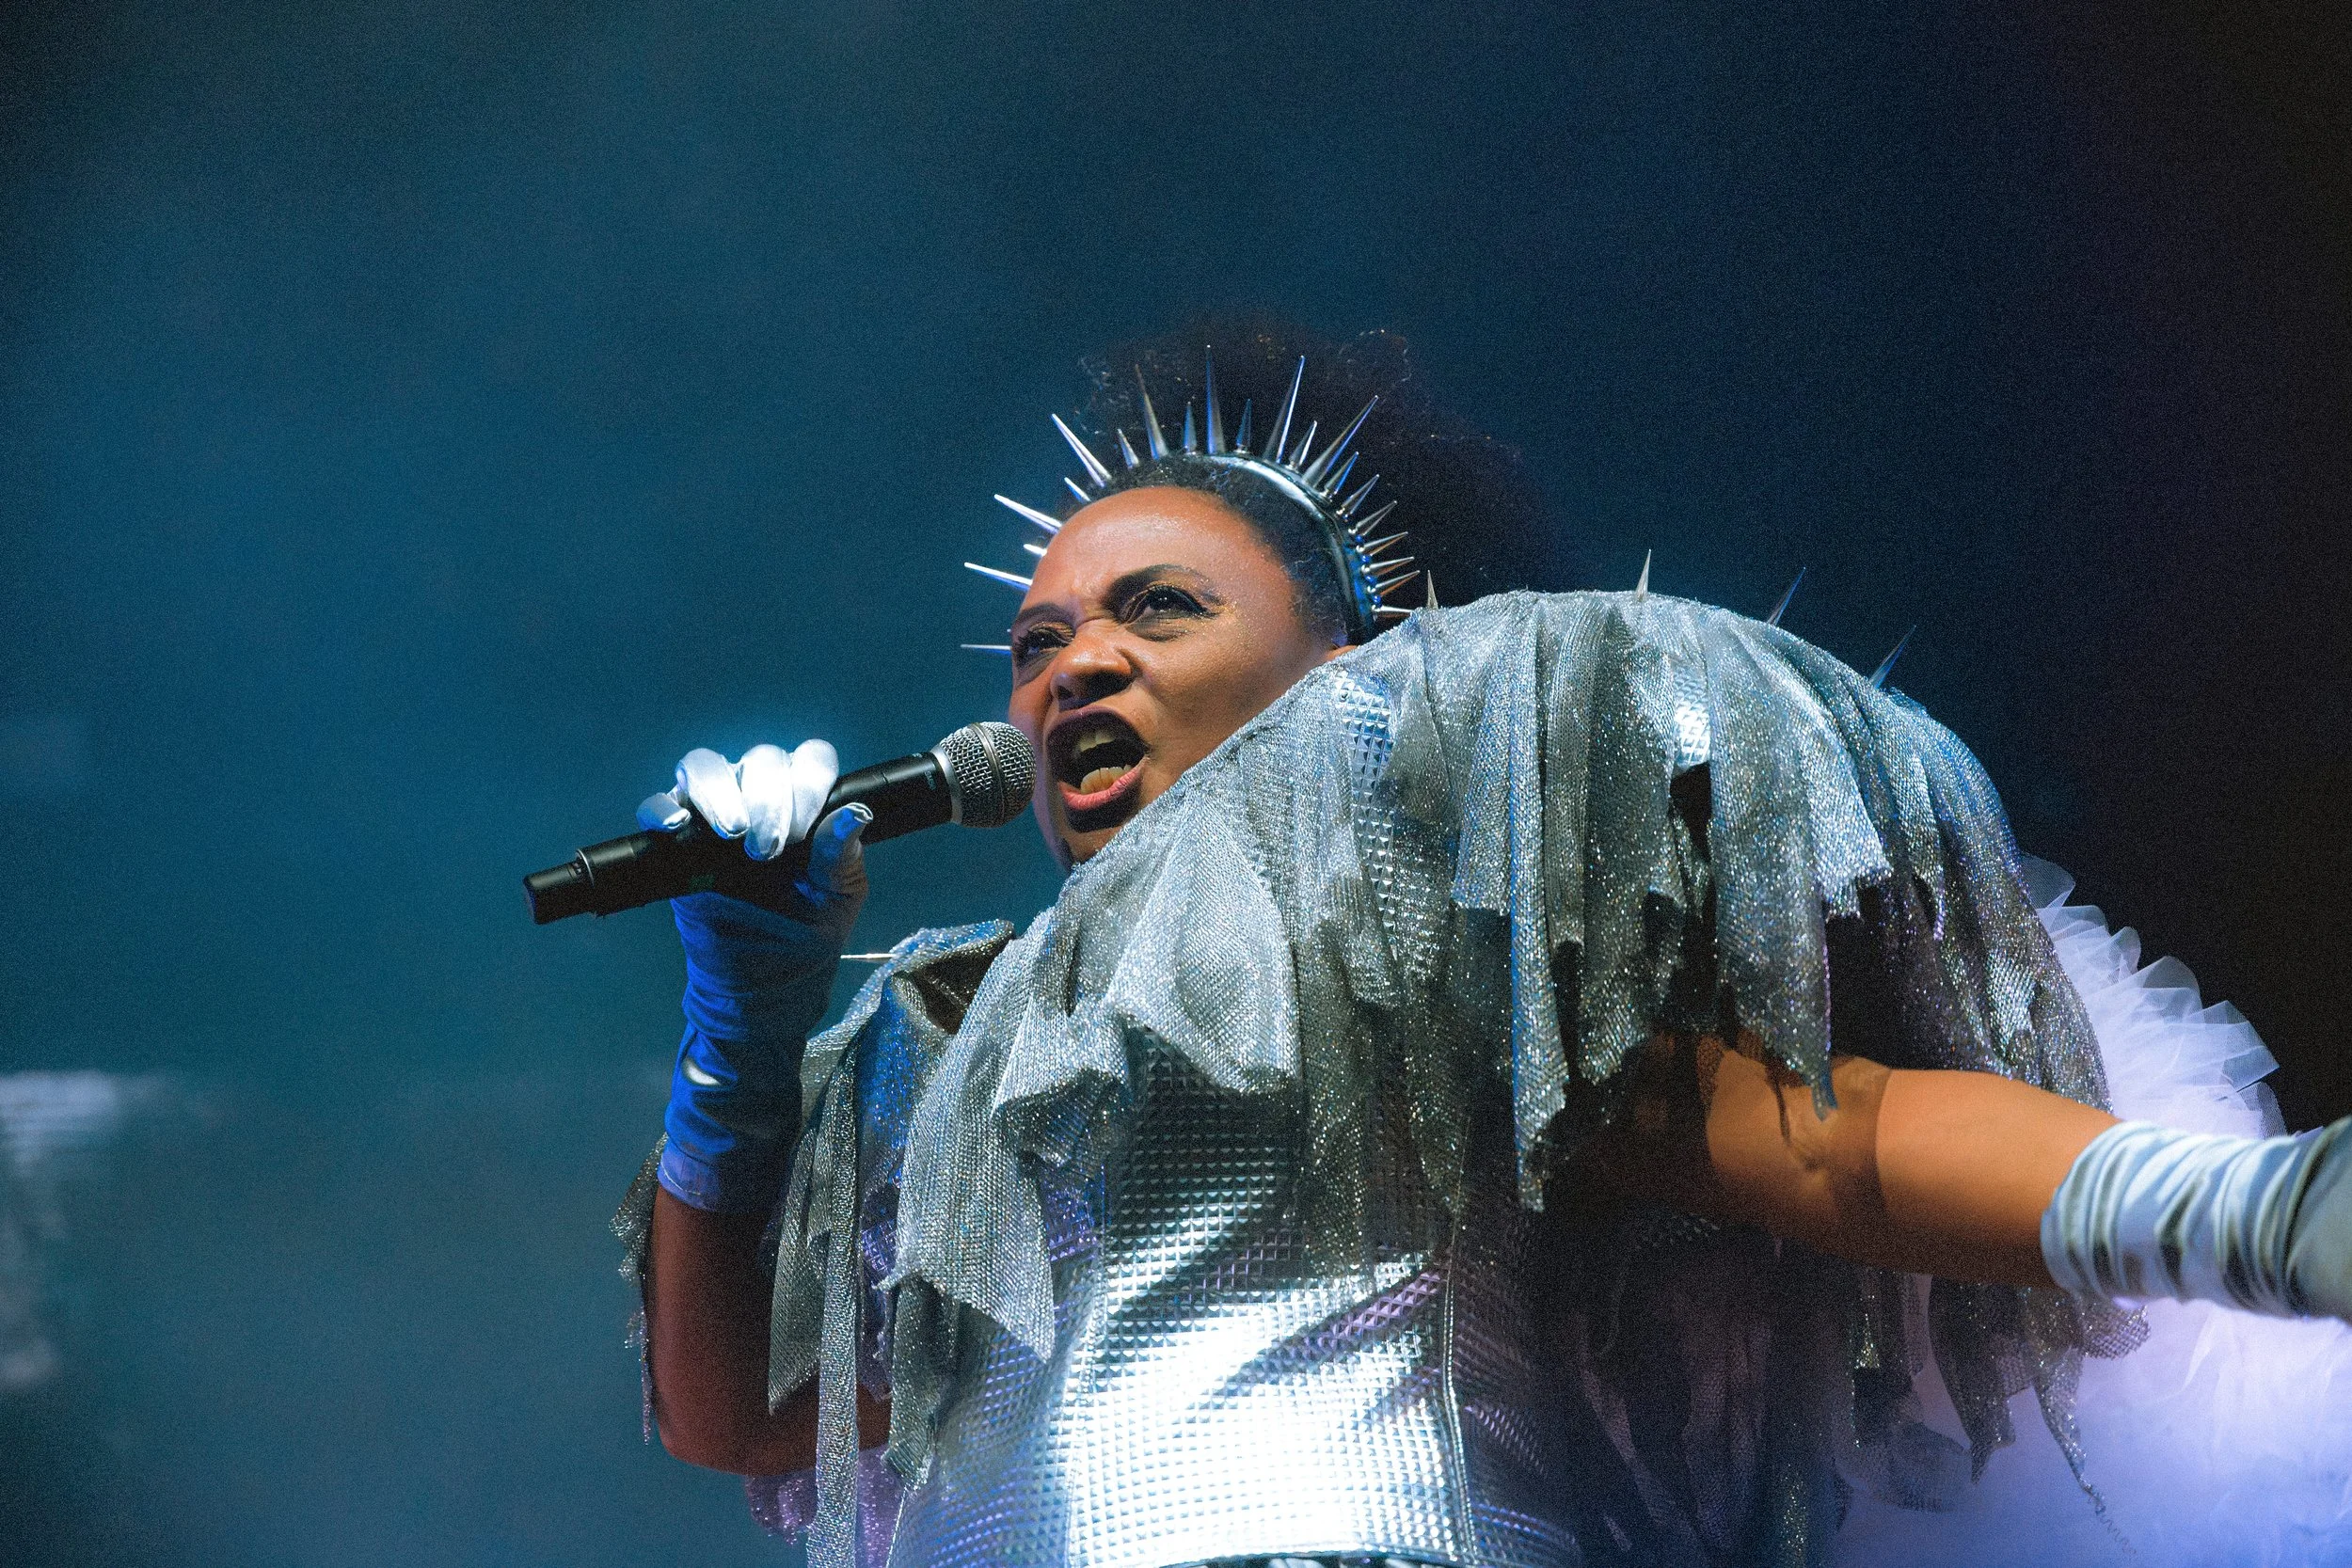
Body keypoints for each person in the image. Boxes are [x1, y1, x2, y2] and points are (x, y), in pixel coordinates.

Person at [612, 326, 2352, 1568]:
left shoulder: (1409, 924)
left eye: (1161, 608)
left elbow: (1822, 1134)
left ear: (1348, 670)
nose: (1076, 665)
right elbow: (741, 1412)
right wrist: (736, 1020)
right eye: (1039, 637)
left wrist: (2244, 1215)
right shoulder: (955, 1037)